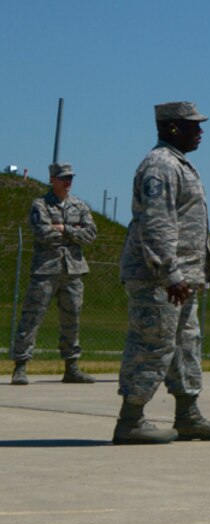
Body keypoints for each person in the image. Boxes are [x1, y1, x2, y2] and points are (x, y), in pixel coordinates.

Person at [114, 101, 210, 444]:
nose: (201, 131)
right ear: (171, 128)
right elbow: (157, 222)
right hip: (159, 278)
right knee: (152, 344)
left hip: (183, 277)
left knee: (185, 345)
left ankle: (188, 415)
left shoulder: (181, 165)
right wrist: (169, 272)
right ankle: (130, 420)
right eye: (193, 125)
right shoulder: (160, 166)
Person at [12, 161, 97, 385]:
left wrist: (63, 228)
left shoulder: (79, 206)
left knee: (72, 320)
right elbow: (42, 233)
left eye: (70, 178)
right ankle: (20, 365)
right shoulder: (40, 205)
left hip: (73, 271)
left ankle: (71, 366)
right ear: (52, 179)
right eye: (63, 178)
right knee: (32, 317)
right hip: (46, 270)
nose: (68, 182)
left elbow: (91, 234)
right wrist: (73, 233)